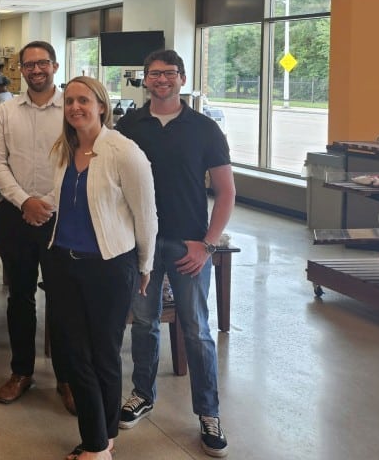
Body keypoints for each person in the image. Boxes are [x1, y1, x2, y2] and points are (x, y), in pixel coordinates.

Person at [115, 50, 235, 458]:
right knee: (143, 323)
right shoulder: (130, 125)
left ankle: (208, 413)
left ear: (182, 78)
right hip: (142, 244)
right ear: (145, 80)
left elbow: (226, 191)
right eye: (154, 74)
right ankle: (142, 394)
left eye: (169, 73)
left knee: (196, 330)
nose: (161, 80)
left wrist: (208, 244)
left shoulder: (204, 128)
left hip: (189, 245)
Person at [46, 76, 156, 460]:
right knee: (75, 355)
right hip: (64, 263)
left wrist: (145, 265)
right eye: (69, 101)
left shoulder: (124, 151)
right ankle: (99, 440)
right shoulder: (64, 149)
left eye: (83, 100)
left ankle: (100, 443)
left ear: (102, 106)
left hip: (109, 267)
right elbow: (63, 201)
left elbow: (146, 215)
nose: (75, 107)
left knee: (104, 355)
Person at [0, 41, 74, 411]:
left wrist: (47, 203)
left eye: (43, 63)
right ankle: (21, 372)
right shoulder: (6, 111)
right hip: (16, 214)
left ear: (55, 66)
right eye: (29, 65)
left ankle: (67, 378)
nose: (36, 70)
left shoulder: (73, 107)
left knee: (63, 298)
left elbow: (82, 159)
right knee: (20, 296)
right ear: (19, 70)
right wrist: (25, 201)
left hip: (62, 216)